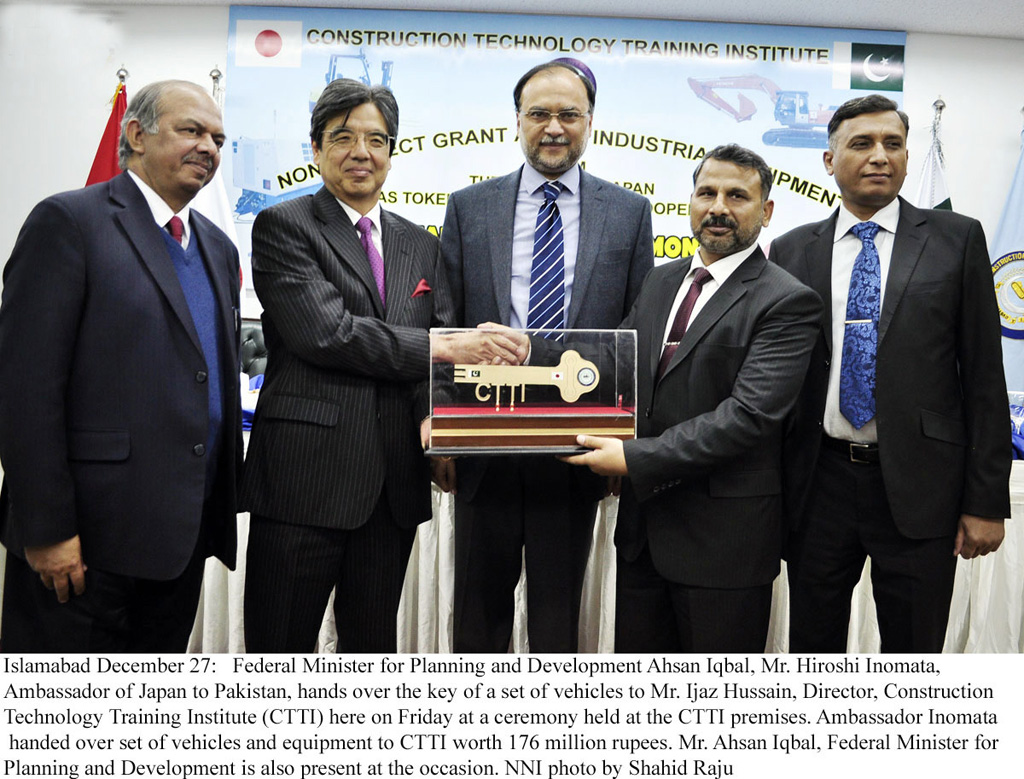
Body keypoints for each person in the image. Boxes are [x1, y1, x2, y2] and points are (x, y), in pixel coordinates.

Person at [240, 78, 525, 653]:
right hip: (305, 481)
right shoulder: (284, 227)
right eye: (342, 137)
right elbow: (328, 335)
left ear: (392, 154)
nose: (360, 152)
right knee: (278, 648)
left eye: (376, 139)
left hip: (392, 484)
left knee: (371, 650)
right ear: (316, 149)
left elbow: (431, 350)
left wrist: (435, 422)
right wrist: (446, 346)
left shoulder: (420, 244)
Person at [0, 80, 242, 652]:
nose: (208, 147)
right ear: (136, 134)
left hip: (178, 542)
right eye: (191, 130)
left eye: (218, 138)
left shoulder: (216, 246)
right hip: (86, 544)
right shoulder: (70, 222)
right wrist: (48, 529)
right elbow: (25, 389)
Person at [769, 94, 1011, 653]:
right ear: (829, 161)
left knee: (914, 650)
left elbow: (982, 378)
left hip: (922, 486)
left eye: (893, 144)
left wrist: (985, 500)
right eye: (862, 144)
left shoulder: (957, 239)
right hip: (818, 483)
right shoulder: (791, 249)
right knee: (812, 646)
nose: (880, 156)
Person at [564, 145, 821, 652]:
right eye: (707, 192)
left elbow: (747, 418)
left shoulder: (787, 299)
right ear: (690, 202)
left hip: (725, 544)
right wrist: (523, 361)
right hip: (644, 537)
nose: (718, 207)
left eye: (737, 196)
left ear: (766, 212)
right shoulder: (661, 280)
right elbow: (615, 373)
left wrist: (632, 457)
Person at [439, 59, 654, 653]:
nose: (553, 127)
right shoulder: (468, 207)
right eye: (539, 114)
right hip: (483, 443)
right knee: (477, 616)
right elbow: (444, 322)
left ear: (590, 122)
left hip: (578, 449)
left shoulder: (630, 214)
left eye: (568, 114)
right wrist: (440, 433)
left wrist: (626, 440)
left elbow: (635, 330)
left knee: (558, 618)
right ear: (517, 121)